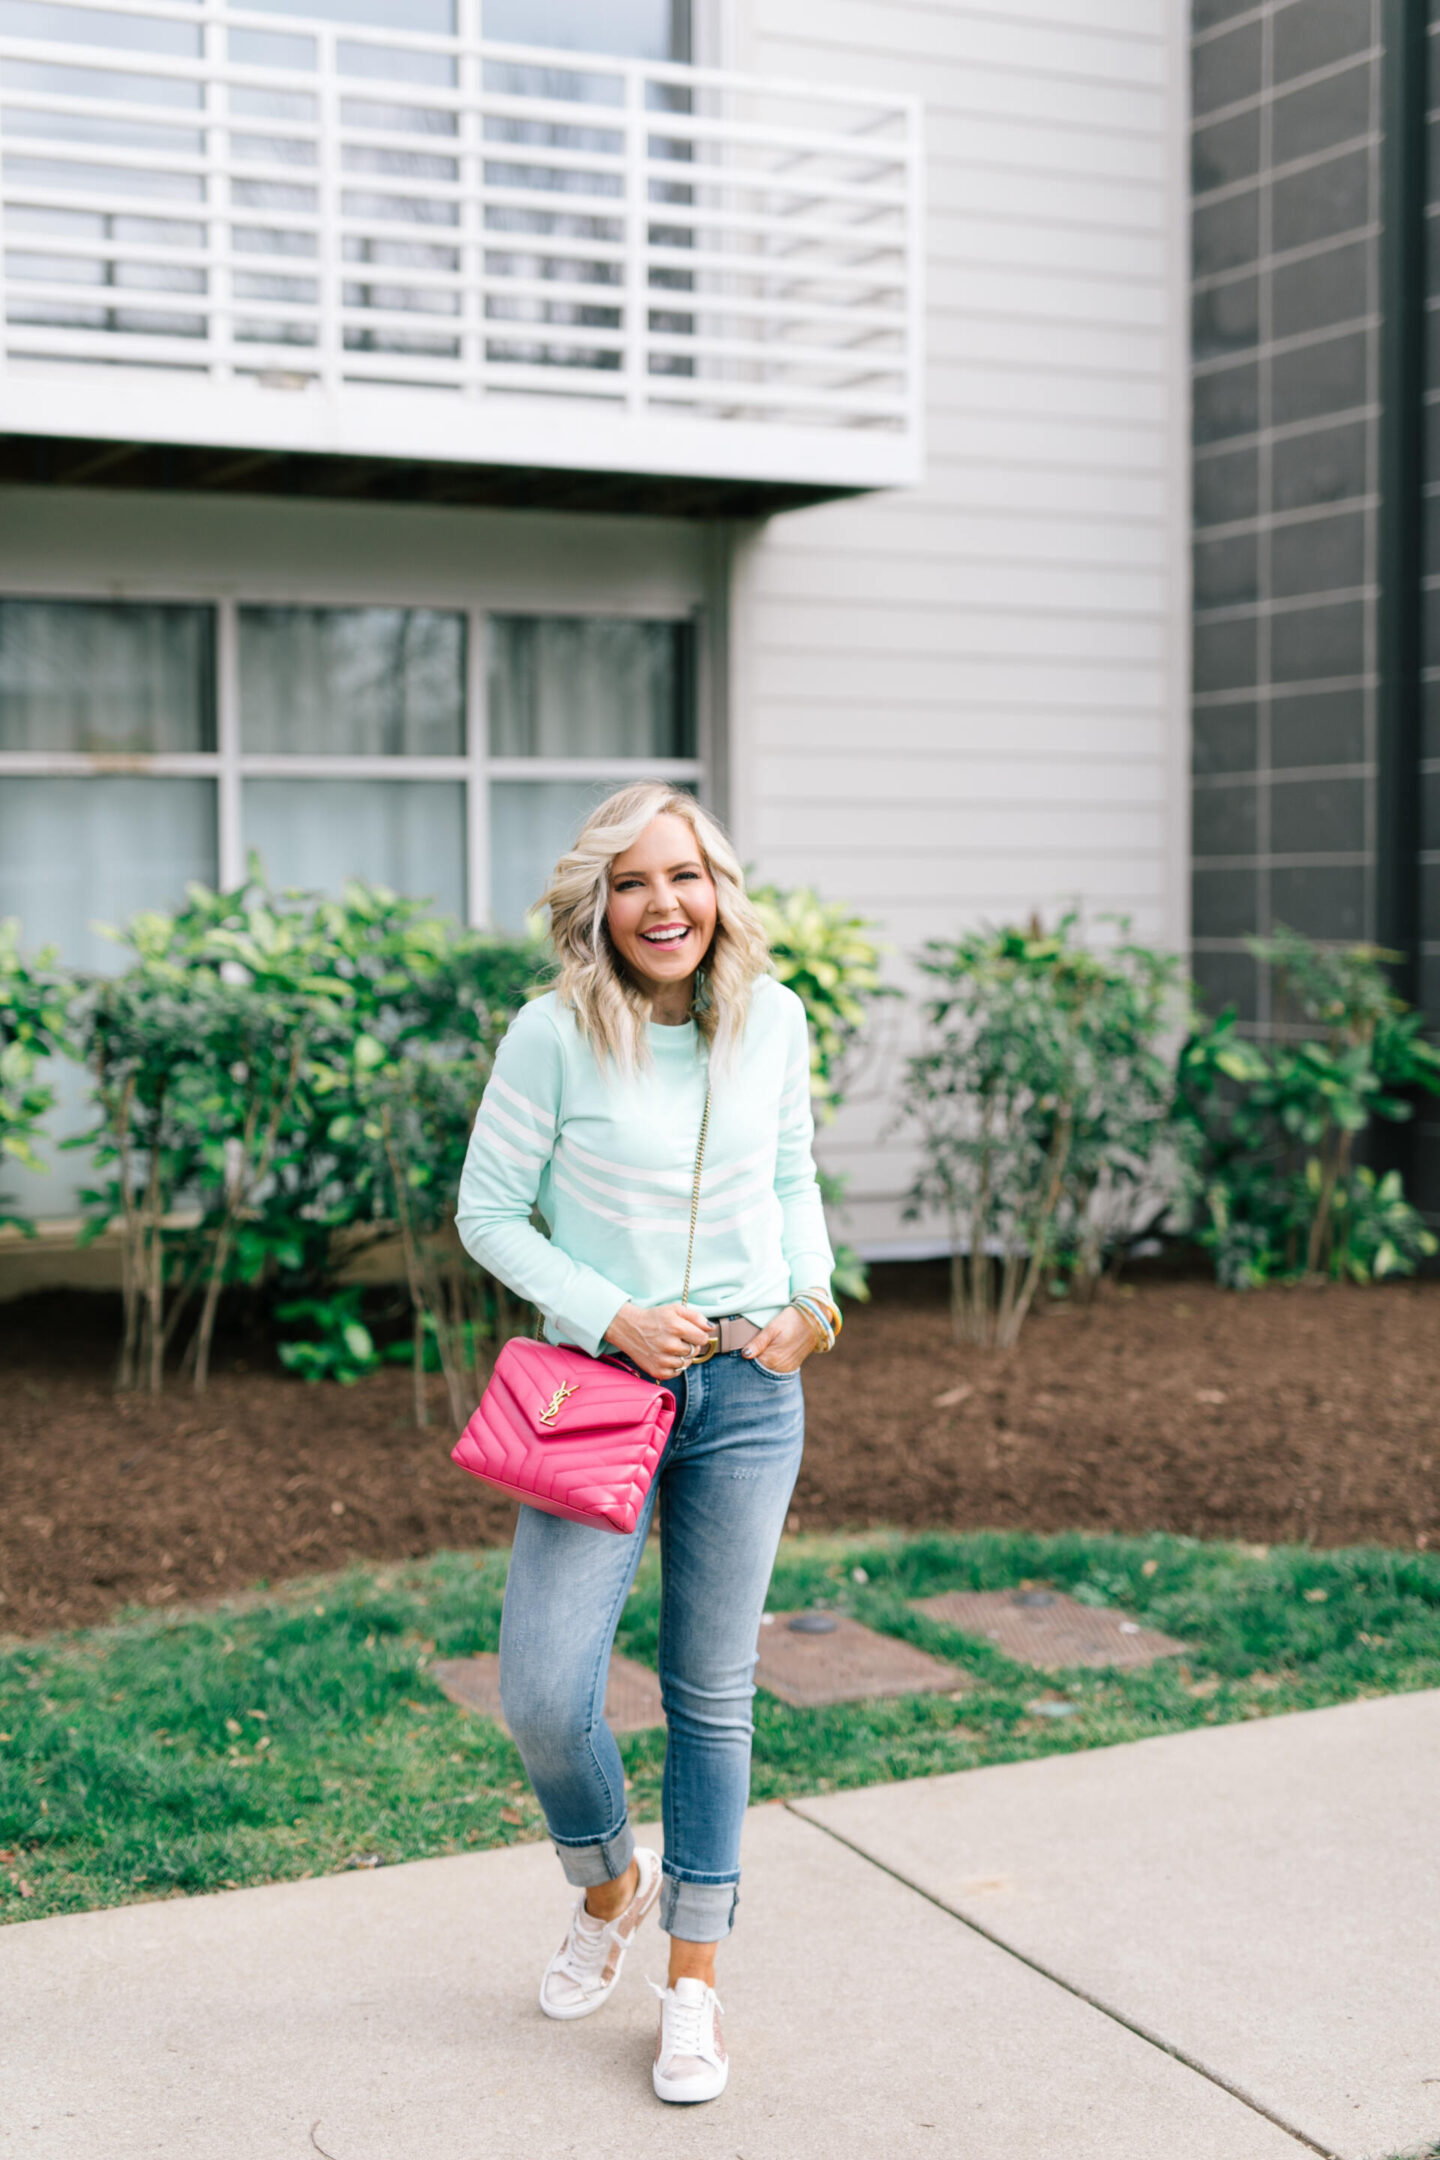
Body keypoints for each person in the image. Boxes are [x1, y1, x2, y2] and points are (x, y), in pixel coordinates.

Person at [455, 780, 840, 2106]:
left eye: (682, 875)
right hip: (597, 1395)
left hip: (747, 1393)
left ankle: (692, 1985)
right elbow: (489, 1212)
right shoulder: (550, 1036)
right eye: (630, 882)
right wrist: (610, 1312)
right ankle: (610, 1884)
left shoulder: (775, 1022)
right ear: (597, 906)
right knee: (545, 1694)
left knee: (712, 1697)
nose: (661, 903)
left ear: (719, 888)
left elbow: (790, 1177)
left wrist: (814, 1301)